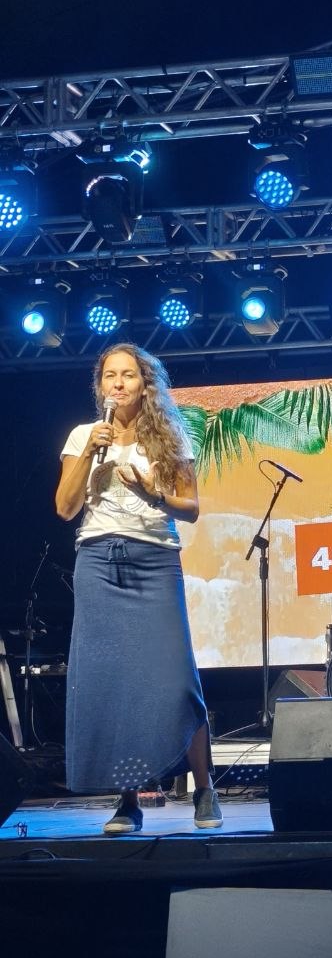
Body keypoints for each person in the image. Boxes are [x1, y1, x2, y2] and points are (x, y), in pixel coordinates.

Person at [55, 343, 222, 835]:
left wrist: (153, 494)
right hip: (98, 562)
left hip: (154, 560)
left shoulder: (169, 435)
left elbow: (191, 508)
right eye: (110, 375)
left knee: (178, 679)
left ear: (146, 384)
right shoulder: (83, 435)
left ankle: (205, 788)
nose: (119, 383)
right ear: (100, 385)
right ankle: (128, 802)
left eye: (128, 375)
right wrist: (91, 452)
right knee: (114, 685)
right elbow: (65, 508)